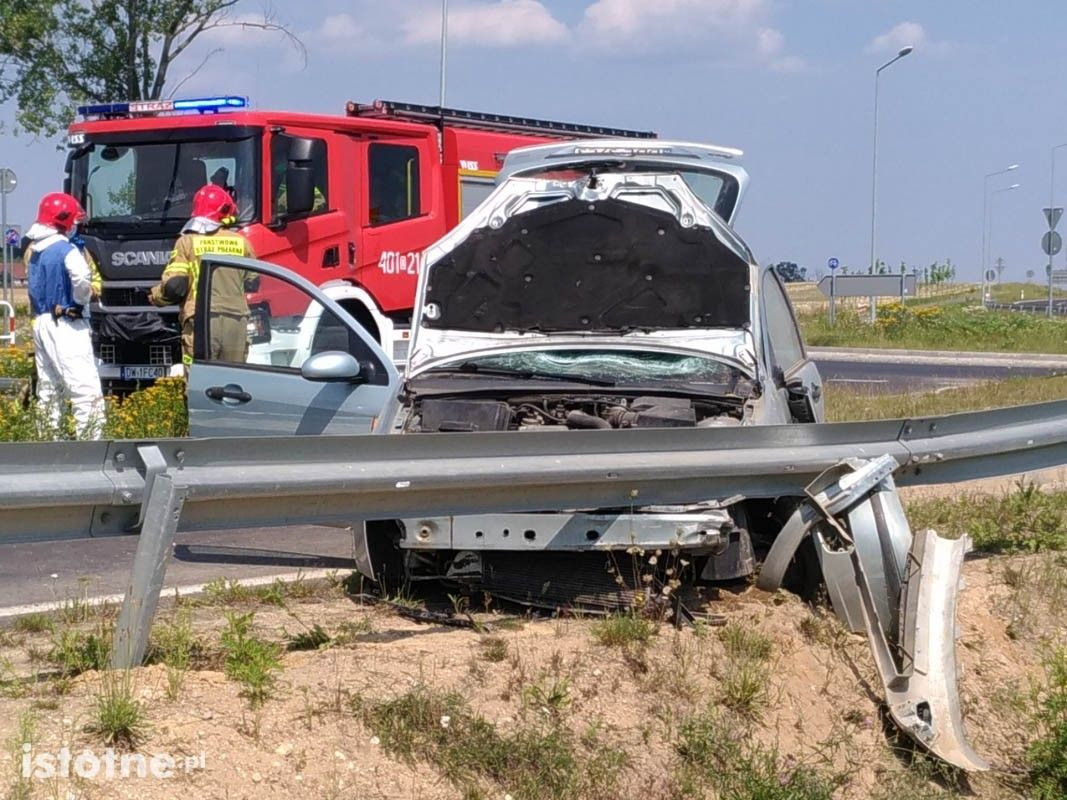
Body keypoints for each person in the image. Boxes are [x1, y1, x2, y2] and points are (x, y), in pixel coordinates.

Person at [149, 184, 257, 369]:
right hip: (236, 320)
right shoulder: (242, 242)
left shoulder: (187, 242)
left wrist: (155, 296)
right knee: (235, 383)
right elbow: (253, 282)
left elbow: (176, 286)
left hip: (201, 320)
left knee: (200, 382)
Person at [24, 192, 104, 439]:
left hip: (42, 322)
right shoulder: (66, 249)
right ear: (63, 219)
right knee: (85, 390)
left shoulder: (36, 251)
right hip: (67, 323)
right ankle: (92, 444)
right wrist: (81, 300)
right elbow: (82, 278)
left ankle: (49, 441)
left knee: (49, 389)